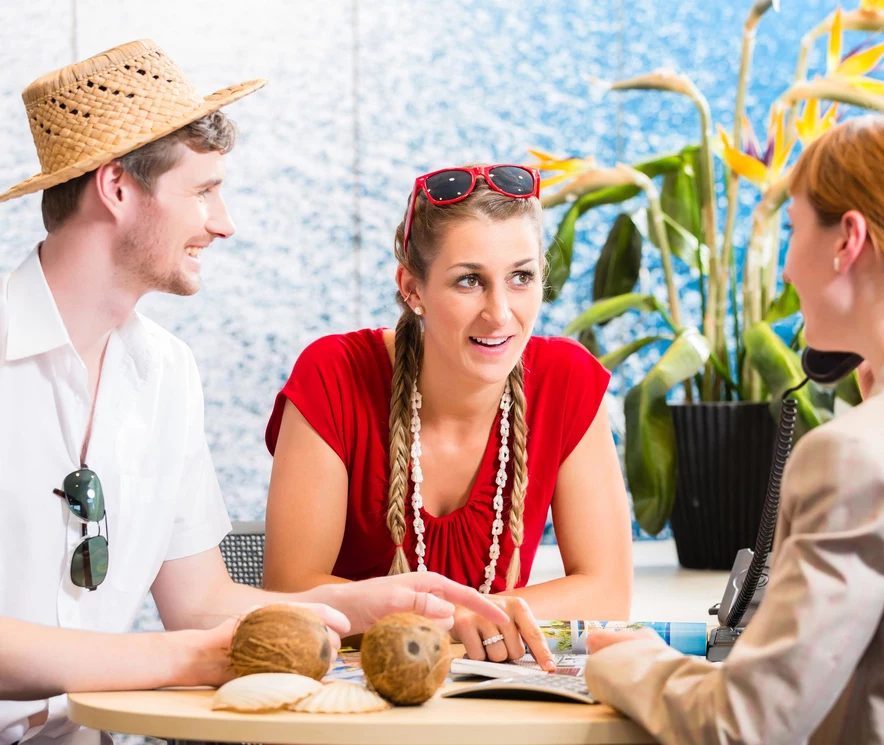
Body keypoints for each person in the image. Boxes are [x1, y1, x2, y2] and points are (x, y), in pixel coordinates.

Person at [0, 40, 507, 745]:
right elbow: (187, 641)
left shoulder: (167, 373)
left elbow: (200, 602)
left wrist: (360, 603)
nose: (224, 221)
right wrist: (179, 658)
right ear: (117, 188)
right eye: (203, 190)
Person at [583, 115, 884, 745]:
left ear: (848, 240)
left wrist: (628, 661)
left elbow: (742, 726)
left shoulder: (859, 455)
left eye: (791, 232)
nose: (785, 270)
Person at [262, 163, 634, 664]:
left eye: (521, 277)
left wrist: (479, 613)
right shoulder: (333, 376)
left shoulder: (566, 382)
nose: (500, 313)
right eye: (469, 282)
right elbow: (290, 590)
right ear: (412, 288)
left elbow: (608, 591)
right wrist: (455, 616)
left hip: (492, 706)